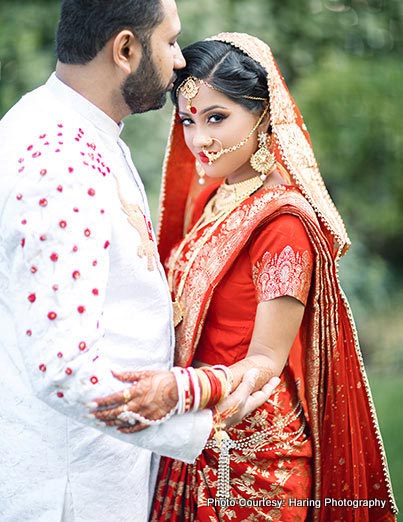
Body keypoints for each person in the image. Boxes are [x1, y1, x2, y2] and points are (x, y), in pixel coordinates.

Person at [92, 33, 398, 521]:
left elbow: (264, 361)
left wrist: (181, 390)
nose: (200, 139)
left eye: (217, 118)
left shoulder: (283, 225)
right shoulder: (220, 200)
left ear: (262, 113)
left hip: (253, 468)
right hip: (197, 438)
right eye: (188, 120)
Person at [0, 3, 276, 520]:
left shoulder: (79, 129)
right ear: (126, 49)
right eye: (169, 42)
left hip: (99, 471)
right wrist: (203, 423)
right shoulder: (59, 159)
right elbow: (64, 370)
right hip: (71, 492)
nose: (178, 62)